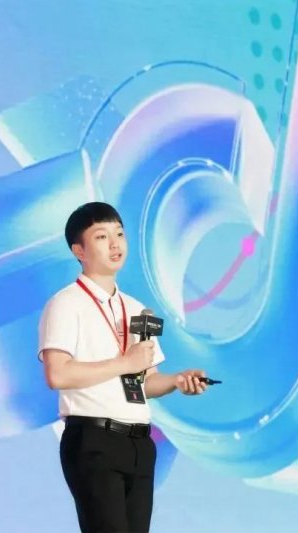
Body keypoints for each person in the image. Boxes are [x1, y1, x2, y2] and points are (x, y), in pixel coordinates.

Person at [38, 201, 208, 532]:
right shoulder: (65, 304)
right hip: (93, 439)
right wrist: (124, 363)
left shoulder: (138, 310)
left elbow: (145, 382)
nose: (115, 244)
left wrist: (177, 380)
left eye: (119, 234)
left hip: (140, 443)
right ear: (79, 251)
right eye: (101, 237)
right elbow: (57, 374)